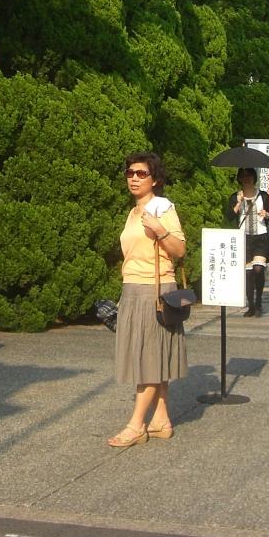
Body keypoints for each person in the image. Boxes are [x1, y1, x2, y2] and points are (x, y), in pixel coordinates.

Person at [110, 151, 188, 448]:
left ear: (154, 179)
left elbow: (179, 250)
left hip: (154, 290)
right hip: (133, 288)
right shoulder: (133, 212)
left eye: (141, 173)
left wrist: (159, 229)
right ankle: (161, 420)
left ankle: (136, 425)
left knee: (149, 359)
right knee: (153, 356)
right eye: (130, 173)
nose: (134, 178)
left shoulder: (162, 208)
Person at [225, 167, 269, 316]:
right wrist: (238, 203)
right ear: (239, 179)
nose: (246, 179)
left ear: (254, 178)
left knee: (258, 269)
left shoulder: (263, 195)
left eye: (249, 176)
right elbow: (229, 216)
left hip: (261, 236)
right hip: (244, 238)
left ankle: (259, 301)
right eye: (243, 176)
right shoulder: (235, 196)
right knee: (248, 274)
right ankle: (251, 306)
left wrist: (266, 214)